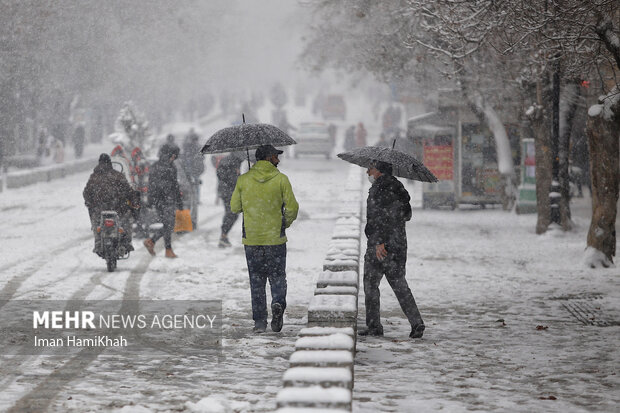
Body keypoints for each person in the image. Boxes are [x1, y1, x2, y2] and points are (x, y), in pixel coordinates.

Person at [230, 145, 299, 333]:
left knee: (256, 280)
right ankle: (277, 303)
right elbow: (293, 207)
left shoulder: (243, 180)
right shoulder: (281, 179)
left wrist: (250, 198)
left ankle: (260, 321)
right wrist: (284, 222)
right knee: (277, 276)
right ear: (268, 158)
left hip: (252, 240)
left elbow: (235, 207)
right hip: (275, 240)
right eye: (276, 156)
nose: (278, 160)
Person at [361, 161, 425, 339]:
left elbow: (376, 218)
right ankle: (416, 322)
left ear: (379, 171)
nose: (368, 171)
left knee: (370, 284)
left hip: (380, 246)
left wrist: (380, 242)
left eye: (370, 168)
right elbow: (407, 215)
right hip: (399, 244)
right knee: (399, 284)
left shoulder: (378, 190)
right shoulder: (399, 189)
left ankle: (374, 326)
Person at [83, 154, 138, 255]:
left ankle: (98, 242)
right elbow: (128, 191)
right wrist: (133, 203)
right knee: (127, 220)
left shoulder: (94, 177)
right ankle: (127, 242)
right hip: (118, 209)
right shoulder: (118, 175)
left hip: (100, 210)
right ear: (110, 163)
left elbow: (86, 192)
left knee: (95, 222)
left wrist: (90, 203)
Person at [143, 143, 183, 258]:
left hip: (158, 200)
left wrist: (151, 200)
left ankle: (153, 242)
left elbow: (151, 184)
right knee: (169, 224)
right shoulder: (170, 167)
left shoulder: (156, 166)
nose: (174, 158)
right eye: (174, 156)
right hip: (167, 199)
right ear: (171, 155)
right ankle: (167, 249)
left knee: (167, 224)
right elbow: (174, 186)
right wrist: (178, 202)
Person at [217, 152, 244, 248]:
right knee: (231, 213)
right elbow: (225, 177)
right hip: (229, 192)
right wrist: (237, 176)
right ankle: (223, 236)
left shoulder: (230, 161)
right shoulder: (231, 162)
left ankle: (223, 236)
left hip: (227, 192)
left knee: (231, 213)